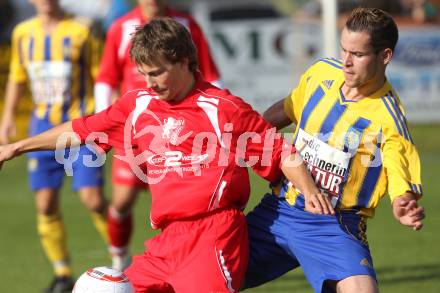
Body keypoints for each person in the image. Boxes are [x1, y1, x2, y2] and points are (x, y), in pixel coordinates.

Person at [0, 17, 330, 293]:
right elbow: (82, 129)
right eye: (144, 73)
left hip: (213, 237)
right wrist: (17, 147)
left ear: (185, 61)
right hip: (165, 244)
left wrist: (312, 192)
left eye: (157, 72)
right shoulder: (138, 104)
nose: (150, 83)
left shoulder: (224, 110)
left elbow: (280, 152)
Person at [243, 7, 425, 293]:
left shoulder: (388, 117)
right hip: (280, 210)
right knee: (201, 276)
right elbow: (289, 107)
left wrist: (402, 202)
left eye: (358, 55)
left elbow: (398, 167)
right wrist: (247, 135)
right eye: (344, 51)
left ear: (385, 56)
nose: (347, 62)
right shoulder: (321, 73)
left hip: (334, 226)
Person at [94, 0, 222, 270]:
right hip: (135, 131)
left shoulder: (186, 25)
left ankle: (182, 261)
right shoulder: (121, 27)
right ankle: (118, 260)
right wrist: (105, 123)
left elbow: (209, 73)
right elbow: (106, 77)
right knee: (121, 201)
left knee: (177, 204)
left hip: (179, 131)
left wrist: (216, 120)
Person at [0, 0, 108, 292]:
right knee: (45, 204)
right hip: (41, 129)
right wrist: (7, 117)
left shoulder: (82, 30)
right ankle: (62, 274)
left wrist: (105, 119)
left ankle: (119, 259)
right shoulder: (23, 32)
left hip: (81, 129)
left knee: (92, 199)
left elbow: (102, 77)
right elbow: (17, 77)